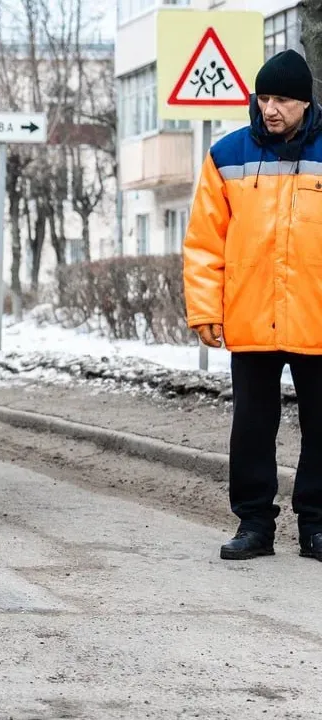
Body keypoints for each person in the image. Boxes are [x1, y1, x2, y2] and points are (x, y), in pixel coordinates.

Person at [184, 48, 322, 562]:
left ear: (305, 103)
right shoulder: (227, 155)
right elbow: (203, 243)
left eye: (282, 99)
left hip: (317, 320)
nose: (270, 108)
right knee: (250, 431)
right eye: (264, 97)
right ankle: (254, 525)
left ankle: (317, 528)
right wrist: (205, 310)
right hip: (250, 317)